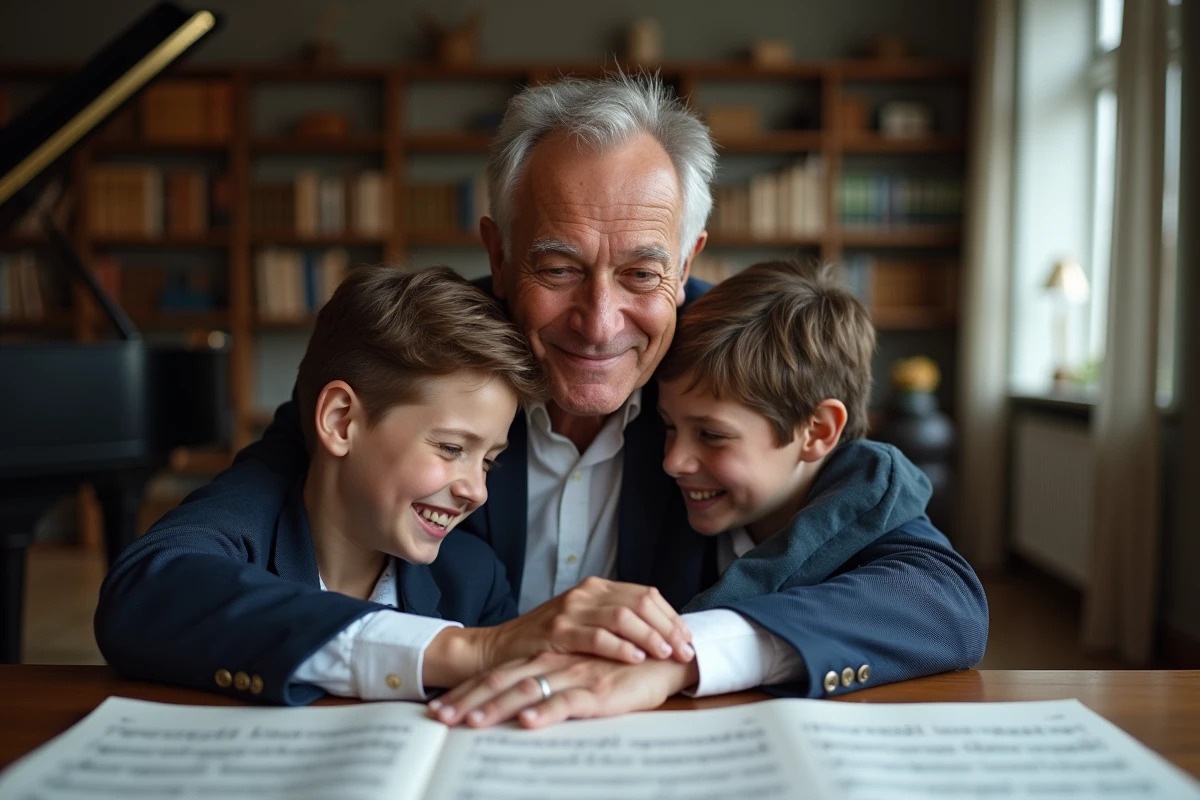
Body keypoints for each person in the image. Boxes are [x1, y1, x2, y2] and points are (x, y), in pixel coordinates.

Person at [101, 73, 987, 714]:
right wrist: (459, 654)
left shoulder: (732, 372)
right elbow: (156, 587)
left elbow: (936, 595)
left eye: (644, 273)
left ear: (688, 261)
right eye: (558, 267)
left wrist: (684, 660)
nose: (600, 324)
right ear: (497, 252)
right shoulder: (417, 365)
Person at [95, 266, 692, 705]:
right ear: (341, 421)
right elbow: (144, 594)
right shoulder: (249, 538)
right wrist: (472, 651)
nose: (475, 491)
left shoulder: (474, 580)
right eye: (452, 449)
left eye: (489, 462)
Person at [435, 260, 977, 728]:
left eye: (713, 436)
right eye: (668, 427)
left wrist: (684, 657)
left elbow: (947, 606)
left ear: (817, 432)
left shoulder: (860, 492)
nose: (673, 460)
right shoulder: (681, 442)